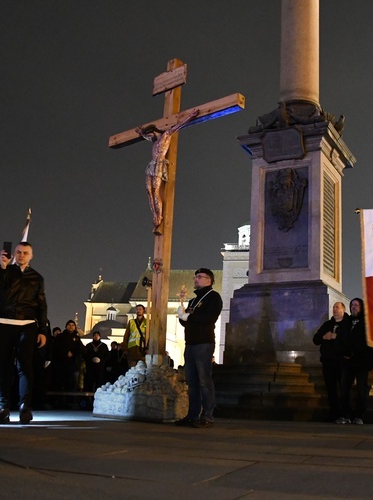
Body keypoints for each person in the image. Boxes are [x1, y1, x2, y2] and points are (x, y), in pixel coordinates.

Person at [0, 241, 48, 424]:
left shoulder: (36, 277)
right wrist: (2, 266)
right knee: (2, 367)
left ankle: (24, 407)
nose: (22, 255)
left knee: (25, 367)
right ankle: (4, 408)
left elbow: (41, 305)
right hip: (4, 323)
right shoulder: (6, 271)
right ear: (14, 253)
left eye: (25, 253)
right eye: (19, 252)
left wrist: (43, 330)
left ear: (31, 255)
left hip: (27, 324)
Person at [136, 108, 199, 233]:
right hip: (151, 166)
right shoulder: (153, 141)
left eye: (149, 134)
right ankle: (154, 214)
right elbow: (144, 136)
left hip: (159, 164)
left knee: (156, 190)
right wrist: (141, 133)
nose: (148, 137)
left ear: (154, 132)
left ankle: (158, 216)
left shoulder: (165, 136)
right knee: (149, 191)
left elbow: (178, 125)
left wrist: (190, 117)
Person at [175, 268, 222, 428]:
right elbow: (188, 322)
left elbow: (209, 317)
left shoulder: (213, 297)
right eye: (195, 277)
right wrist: (182, 316)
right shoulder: (193, 301)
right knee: (192, 381)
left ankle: (207, 416)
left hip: (203, 343)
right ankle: (192, 415)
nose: (196, 279)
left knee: (204, 381)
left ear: (209, 280)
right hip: (191, 343)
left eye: (200, 277)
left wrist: (189, 316)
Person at [313, 302, 350, 423]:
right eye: (333, 307)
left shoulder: (347, 324)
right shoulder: (327, 324)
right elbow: (315, 339)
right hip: (328, 362)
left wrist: (336, 337)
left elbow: (349, 341)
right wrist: (324, 337)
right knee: (331, 390)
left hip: (342, 363)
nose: (334, 309)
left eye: (337, 307)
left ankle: (345, 415)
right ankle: (333, 413)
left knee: (344, 390)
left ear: (343, 310)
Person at [339, 298, 373, 425]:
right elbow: (341, 339)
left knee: (361, 389)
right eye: (352, 305)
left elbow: (368, 343)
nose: (354, 307)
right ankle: (345, 415)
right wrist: (345, 352)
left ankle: (359, 415)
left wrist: (354, 352)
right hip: (347, 362)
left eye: (357, 305)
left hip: (361, 362)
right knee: (344, 389)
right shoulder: (346, 322)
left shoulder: (367, 323)